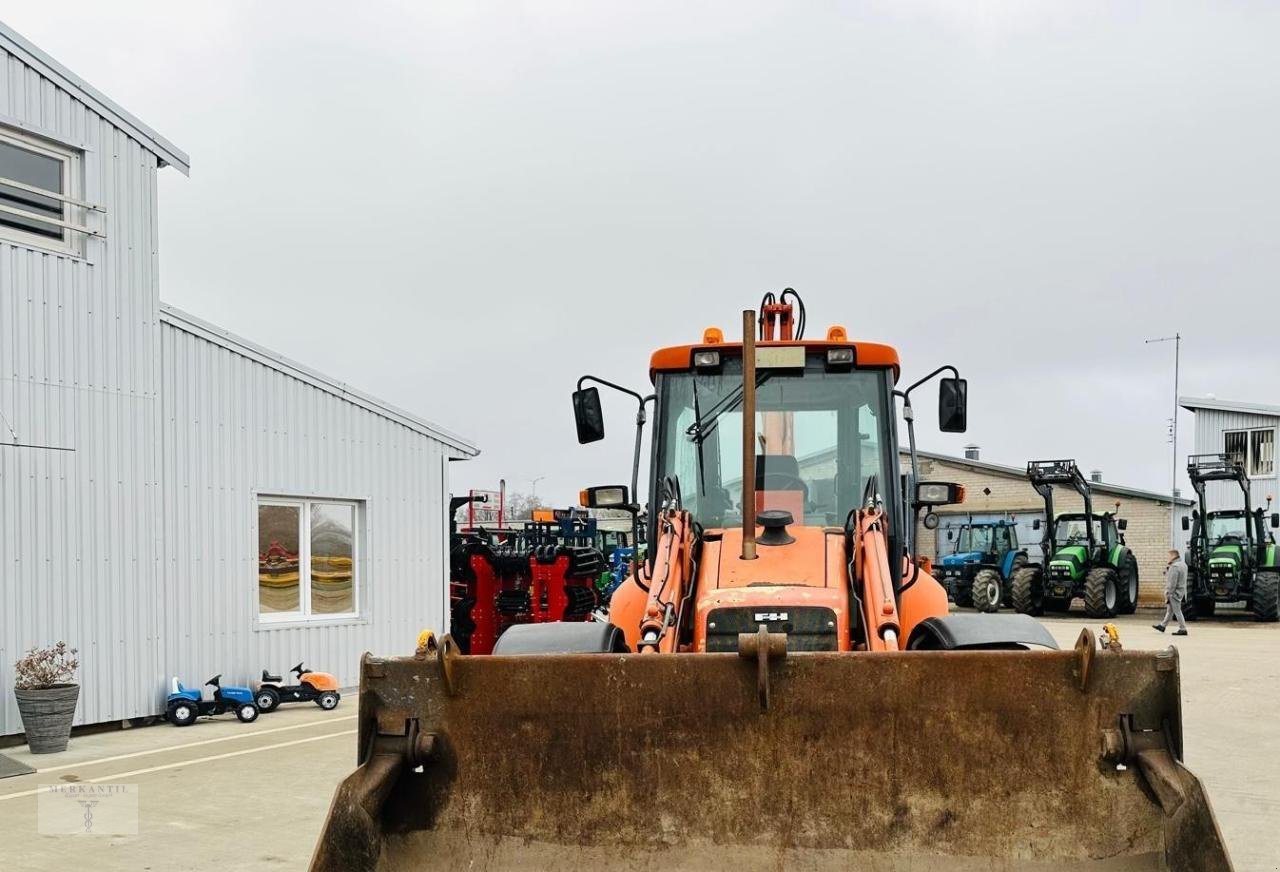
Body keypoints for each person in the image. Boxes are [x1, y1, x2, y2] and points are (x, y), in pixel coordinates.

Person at [1153, 549, 1188, 636]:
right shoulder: (1183, 565)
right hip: (1181, 591)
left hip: (1174, 593)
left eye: (1168, 556)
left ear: (1173, 556)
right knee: (1170, 610)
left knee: (1177, 611)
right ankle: (1162, 626)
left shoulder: (1174, 567)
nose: (1167, 558)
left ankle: (1183, 628)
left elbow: (1172, 583)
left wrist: (1168, 593)